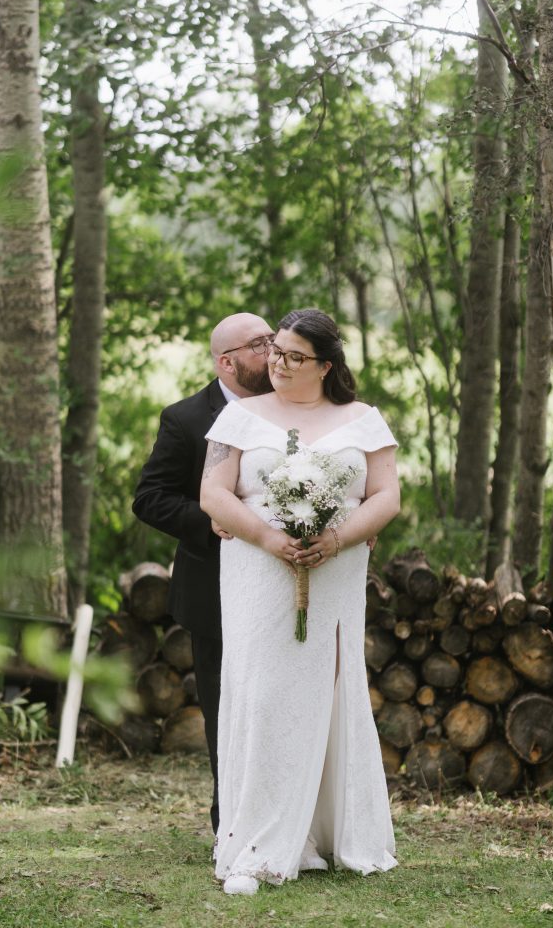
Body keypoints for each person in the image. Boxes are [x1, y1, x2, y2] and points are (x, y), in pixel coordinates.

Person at [200, 308, 400, 896]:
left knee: (328, 687)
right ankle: (258, 838)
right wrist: (267, 537)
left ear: (325, 365)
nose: (278, 364)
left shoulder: (363, 421)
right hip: (258, 573)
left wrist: (337, 537)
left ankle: (339, 834)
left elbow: (386, 495)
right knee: (263, 692)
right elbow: (213, 491)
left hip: (335, 572)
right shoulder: (239, 415)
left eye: (293, 356)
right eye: (275, 351)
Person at [132, 312, 274, 834]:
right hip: (213, 588)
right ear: (226, 361)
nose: (273, 351)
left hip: (285, 583)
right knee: (225, 708)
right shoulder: (187, 418)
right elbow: (149, 499)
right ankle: (231, 823)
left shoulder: (294, 410)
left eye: (273, 340)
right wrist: (212, 521)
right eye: (260, 344)